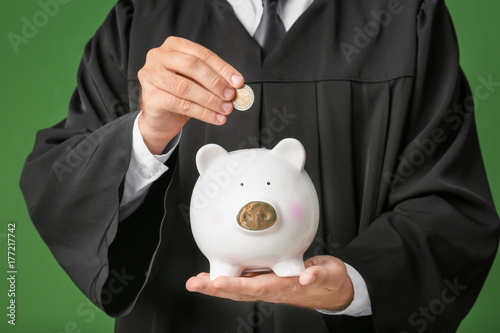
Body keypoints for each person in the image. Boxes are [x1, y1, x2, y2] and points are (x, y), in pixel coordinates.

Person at [20, 0, 500, 332]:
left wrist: (355, 285)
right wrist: (145, 136)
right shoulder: (140, 18)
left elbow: (450, 205)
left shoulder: (406, 16)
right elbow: (60, 178)